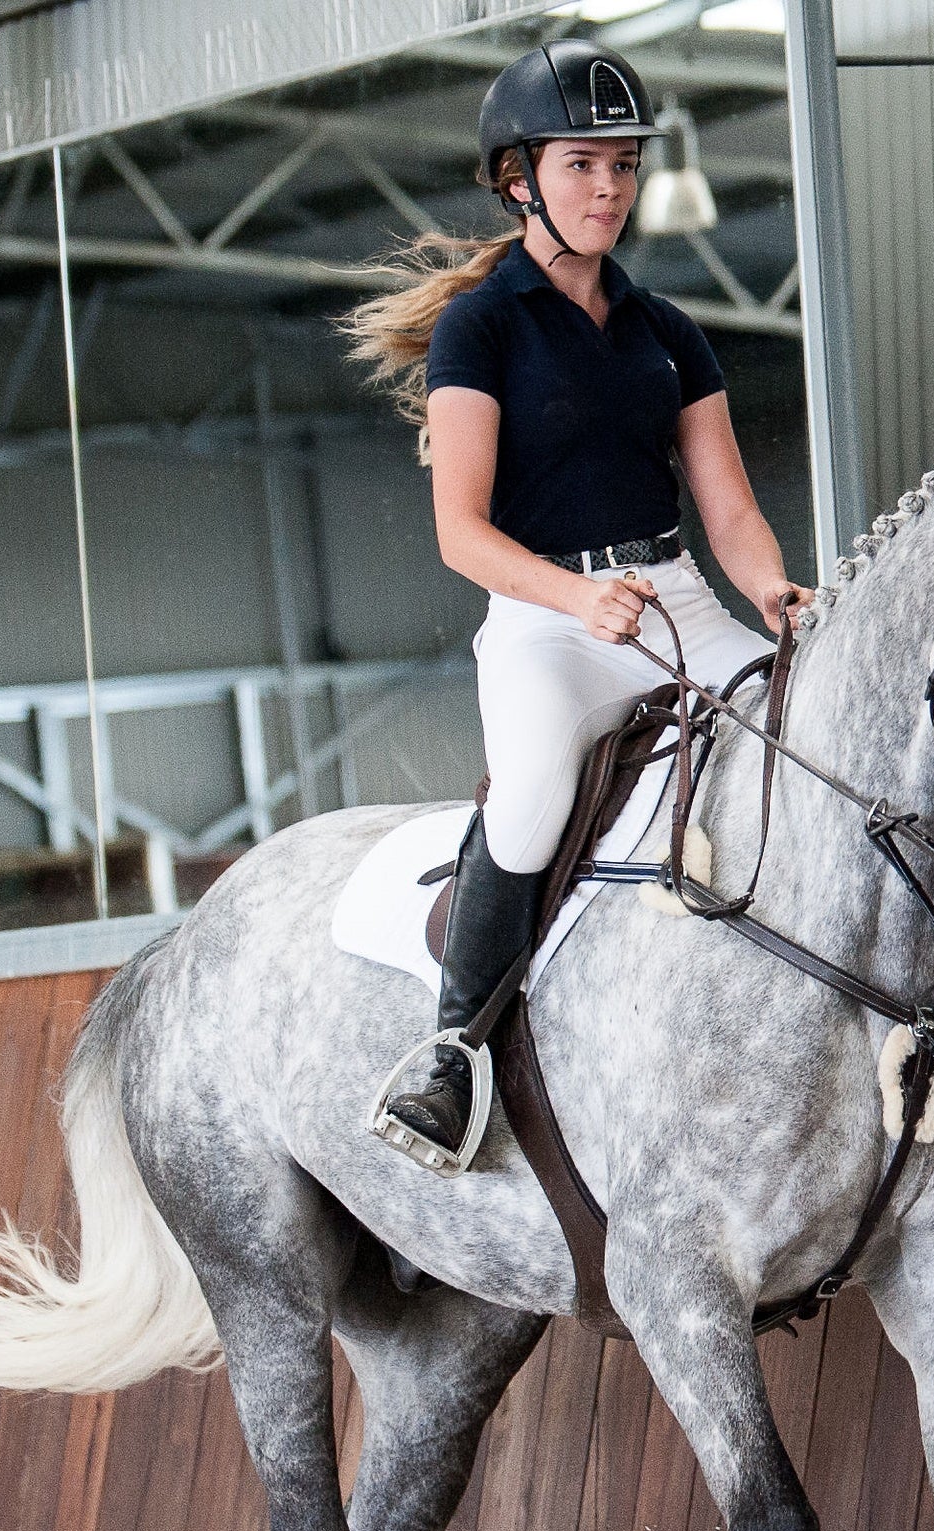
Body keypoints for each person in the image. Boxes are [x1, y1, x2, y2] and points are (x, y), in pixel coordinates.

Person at [345, 40, 810, 1164]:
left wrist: (773, 590)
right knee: (534, 792)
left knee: (787, 751)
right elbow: (460, 534)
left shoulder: (666, 333)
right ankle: (453, 1053)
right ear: (520, 180)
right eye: (581, 165)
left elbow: (729, 510)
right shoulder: (481, 329)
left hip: (676, 598)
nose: (608, 188)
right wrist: (575, 596)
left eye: (621, 166)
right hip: (546, 619)